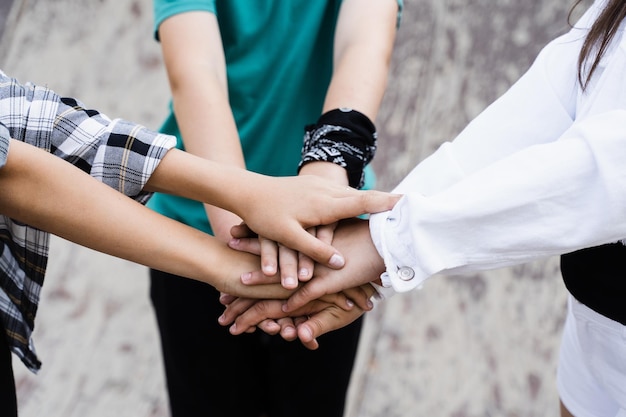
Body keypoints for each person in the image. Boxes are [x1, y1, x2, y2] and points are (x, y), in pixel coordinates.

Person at [222, 1, 626, 416]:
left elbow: (609, 170)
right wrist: (379, 235)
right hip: (597, 338)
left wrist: (383, 243)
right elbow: (556, 96)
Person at [0, 70, 400, 417]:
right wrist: (249, 252)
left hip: (314, 249)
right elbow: (195, 75)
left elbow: (31, 122)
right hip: (285, 254)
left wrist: (317, 199)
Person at [146, 1, 402, 416]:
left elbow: (364, 46)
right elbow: (195, 73)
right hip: (200, 241)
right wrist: (241, 237)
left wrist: (322, 184)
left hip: (325, 242)